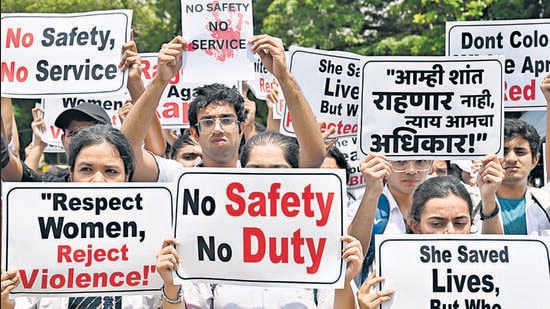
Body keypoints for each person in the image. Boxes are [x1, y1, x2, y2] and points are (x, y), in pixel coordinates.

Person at [122, 34, 325, 181]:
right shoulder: (177, 177)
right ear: (194, 133)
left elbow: (314, 155)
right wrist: (160, 81)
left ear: (241, 127)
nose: (218, 128)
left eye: (227, 120)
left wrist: (284, 77)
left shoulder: (258, 174)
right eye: (208, 121)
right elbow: (127, 152)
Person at [1, 125, 161, 308]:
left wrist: (172, 289)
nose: (98, 181)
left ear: (127, 176)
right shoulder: (37, 237)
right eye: (86, 170)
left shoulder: (151, 242)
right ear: (71, 174)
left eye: (111, 171)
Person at [356, 174, 503, 308]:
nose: (450, 232)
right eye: (437, 224)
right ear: (415, 225)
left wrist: (489, 198)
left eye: (460, 223)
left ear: (471, 222)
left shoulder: (483, 270)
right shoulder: (390, 270)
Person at [492, 118, 550, 235]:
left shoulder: (546, 201)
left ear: (535, 160)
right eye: (503, 152)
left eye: (520, 152)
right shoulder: (472, 203)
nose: (511, 159)